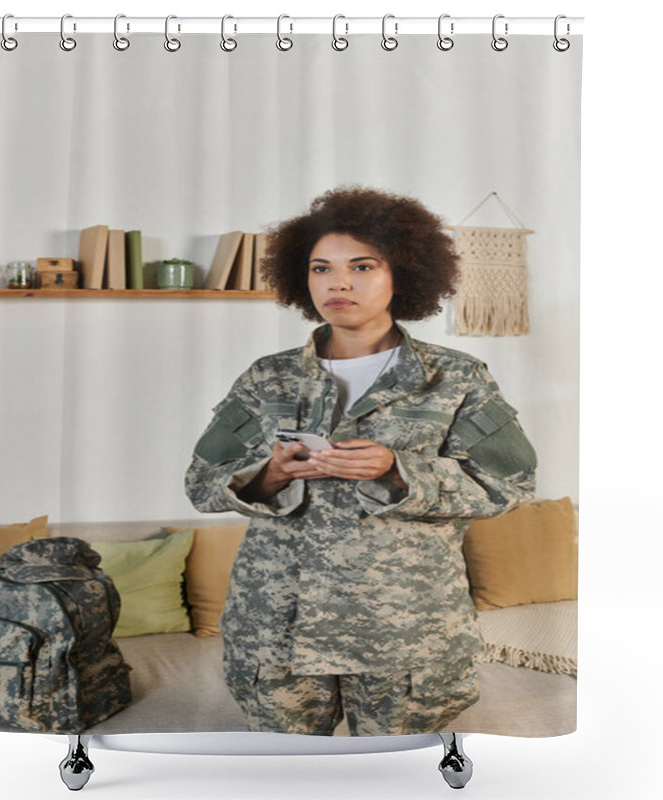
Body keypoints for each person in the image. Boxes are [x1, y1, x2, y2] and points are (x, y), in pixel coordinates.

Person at [184, 186, 537, 736]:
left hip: (405, 631)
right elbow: (202, 483)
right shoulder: (266, 377)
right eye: (321, 268)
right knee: (289, 780)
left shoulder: (457, 378)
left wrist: (397, 469)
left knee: (399, 782)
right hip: (278, 628)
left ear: (406, 274)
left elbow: (510, 484)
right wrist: (270, 474)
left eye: (362, 266)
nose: (338, 283)